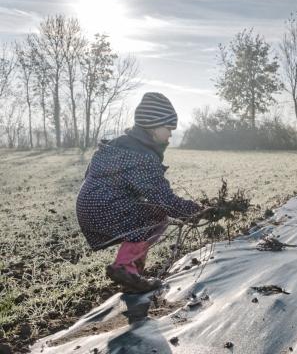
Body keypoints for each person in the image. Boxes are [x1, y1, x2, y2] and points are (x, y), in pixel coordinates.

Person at [76, 92, 209, 292]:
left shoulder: (117, 143)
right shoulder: (143, 156)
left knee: (148, 216)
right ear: (153, 126)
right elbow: (163, 199)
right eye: (169, 128)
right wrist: (196, 211)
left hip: (87, 205)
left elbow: (91, 174)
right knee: (157, 218)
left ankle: (132, 277)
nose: (171, 135)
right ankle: (126, 269)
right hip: (107, 207)